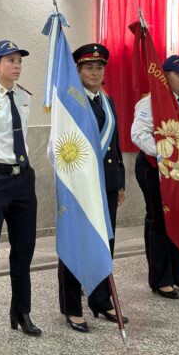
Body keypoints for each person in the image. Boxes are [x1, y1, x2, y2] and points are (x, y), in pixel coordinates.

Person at [0, 40, 40, 345]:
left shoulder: (24, 98)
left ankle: (21, 312)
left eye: (18, 60)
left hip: (22, 179)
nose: (16, 65)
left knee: (23, 250)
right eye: (9, 60)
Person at [58, 43, 127, 332]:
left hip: (107, 184)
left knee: (103, 242)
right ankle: (72, 307)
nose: (95, 72)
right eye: (88, 67)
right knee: (75, 243)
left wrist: (119, 181)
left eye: (99, 67)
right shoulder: (71, 102)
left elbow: (116, 144)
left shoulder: (107, 101)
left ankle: (101, 300)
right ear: (77, 70)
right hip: (80, 185)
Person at [131, 55, 179, 297]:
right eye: (178, 73)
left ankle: (178, 274)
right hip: (155, 168)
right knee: (160, 221)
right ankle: (160, 278)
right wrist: (167, 154)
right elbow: (138, 134)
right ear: (164, 75)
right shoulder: (150, 103)